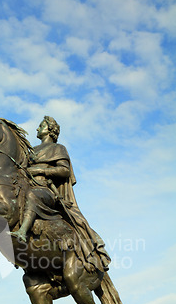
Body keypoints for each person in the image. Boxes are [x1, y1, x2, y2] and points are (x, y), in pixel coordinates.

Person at [11, 116, 110, 273]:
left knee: (32, 195)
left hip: (46, 191)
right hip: (27, 186)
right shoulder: (31, 150)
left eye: (41, 125)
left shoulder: (58, 148)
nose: (37, 129)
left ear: (51, 130)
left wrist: (40, 170)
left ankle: (22, 231)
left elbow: (64, 170)